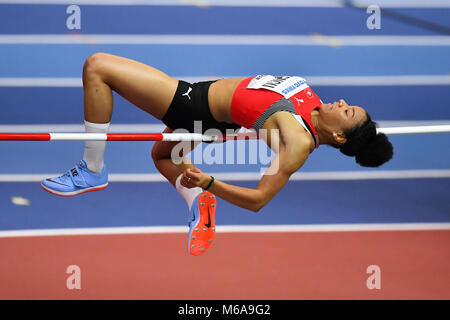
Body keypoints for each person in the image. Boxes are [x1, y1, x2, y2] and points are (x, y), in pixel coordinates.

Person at [41, 53, 394, 255]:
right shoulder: (315, 108)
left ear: (338, 136)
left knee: (97, 66)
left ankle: (93, 168)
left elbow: (258, 200)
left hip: (194, 106)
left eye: (347, 112)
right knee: (164, 157)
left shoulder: (298, 141)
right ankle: (198, 206)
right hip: (217, 119)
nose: (343, 102)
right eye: (350, 104)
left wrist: (210, 181)